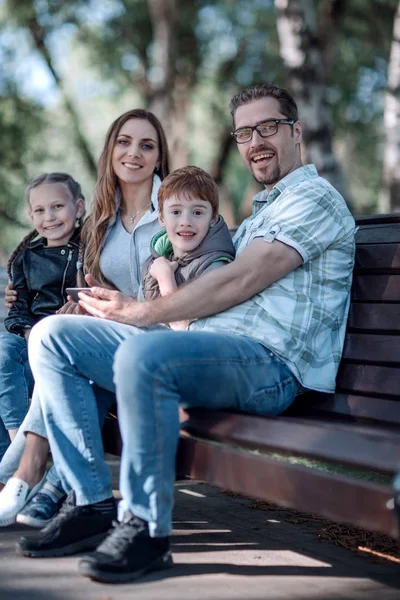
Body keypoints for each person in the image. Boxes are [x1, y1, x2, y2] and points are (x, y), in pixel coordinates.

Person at [18, 83, 355, 585]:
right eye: (244, 132)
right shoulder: (262, 209)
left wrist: (141, 312)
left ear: (296, 131)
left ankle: (146, 529)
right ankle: (90, 504)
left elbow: (242, 278)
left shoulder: (314, 198)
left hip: (272, 364)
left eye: (268, 127)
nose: (255, 141)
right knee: (52, 336)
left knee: (145, 355)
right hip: (215, 348)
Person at [0, 108, 170, 528]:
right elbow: (80, 279)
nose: (134, 153)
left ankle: (23, 477)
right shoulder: (100, 222)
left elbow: (196, 275)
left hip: (157, 337)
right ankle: (57, 485)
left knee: (60, 347)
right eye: (124, 142)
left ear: (159, 157)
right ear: (110, 151)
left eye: (147, 145)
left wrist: (125, 305)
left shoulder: (174, 210)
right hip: (108, 338)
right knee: (56, 350)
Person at [0, 172, 85, 526]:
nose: (49, 217)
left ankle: (15, 472)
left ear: (78, 208)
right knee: (4, 354)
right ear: (31, 216)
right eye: (39, 210)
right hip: (28, 332)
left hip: (68, 336)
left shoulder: (89, 247)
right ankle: (17, 442)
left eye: (57, 207)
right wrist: (24, 330)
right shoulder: (25, 257)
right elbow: (16, 309)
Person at [141, 165, 235, 329]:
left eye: (197, 213)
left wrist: (165, 279)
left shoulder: (215, 268)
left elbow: (184, 329)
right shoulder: (156, 261)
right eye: (176, 212)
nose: (186, 222)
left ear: (213, 218)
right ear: (162, 218)